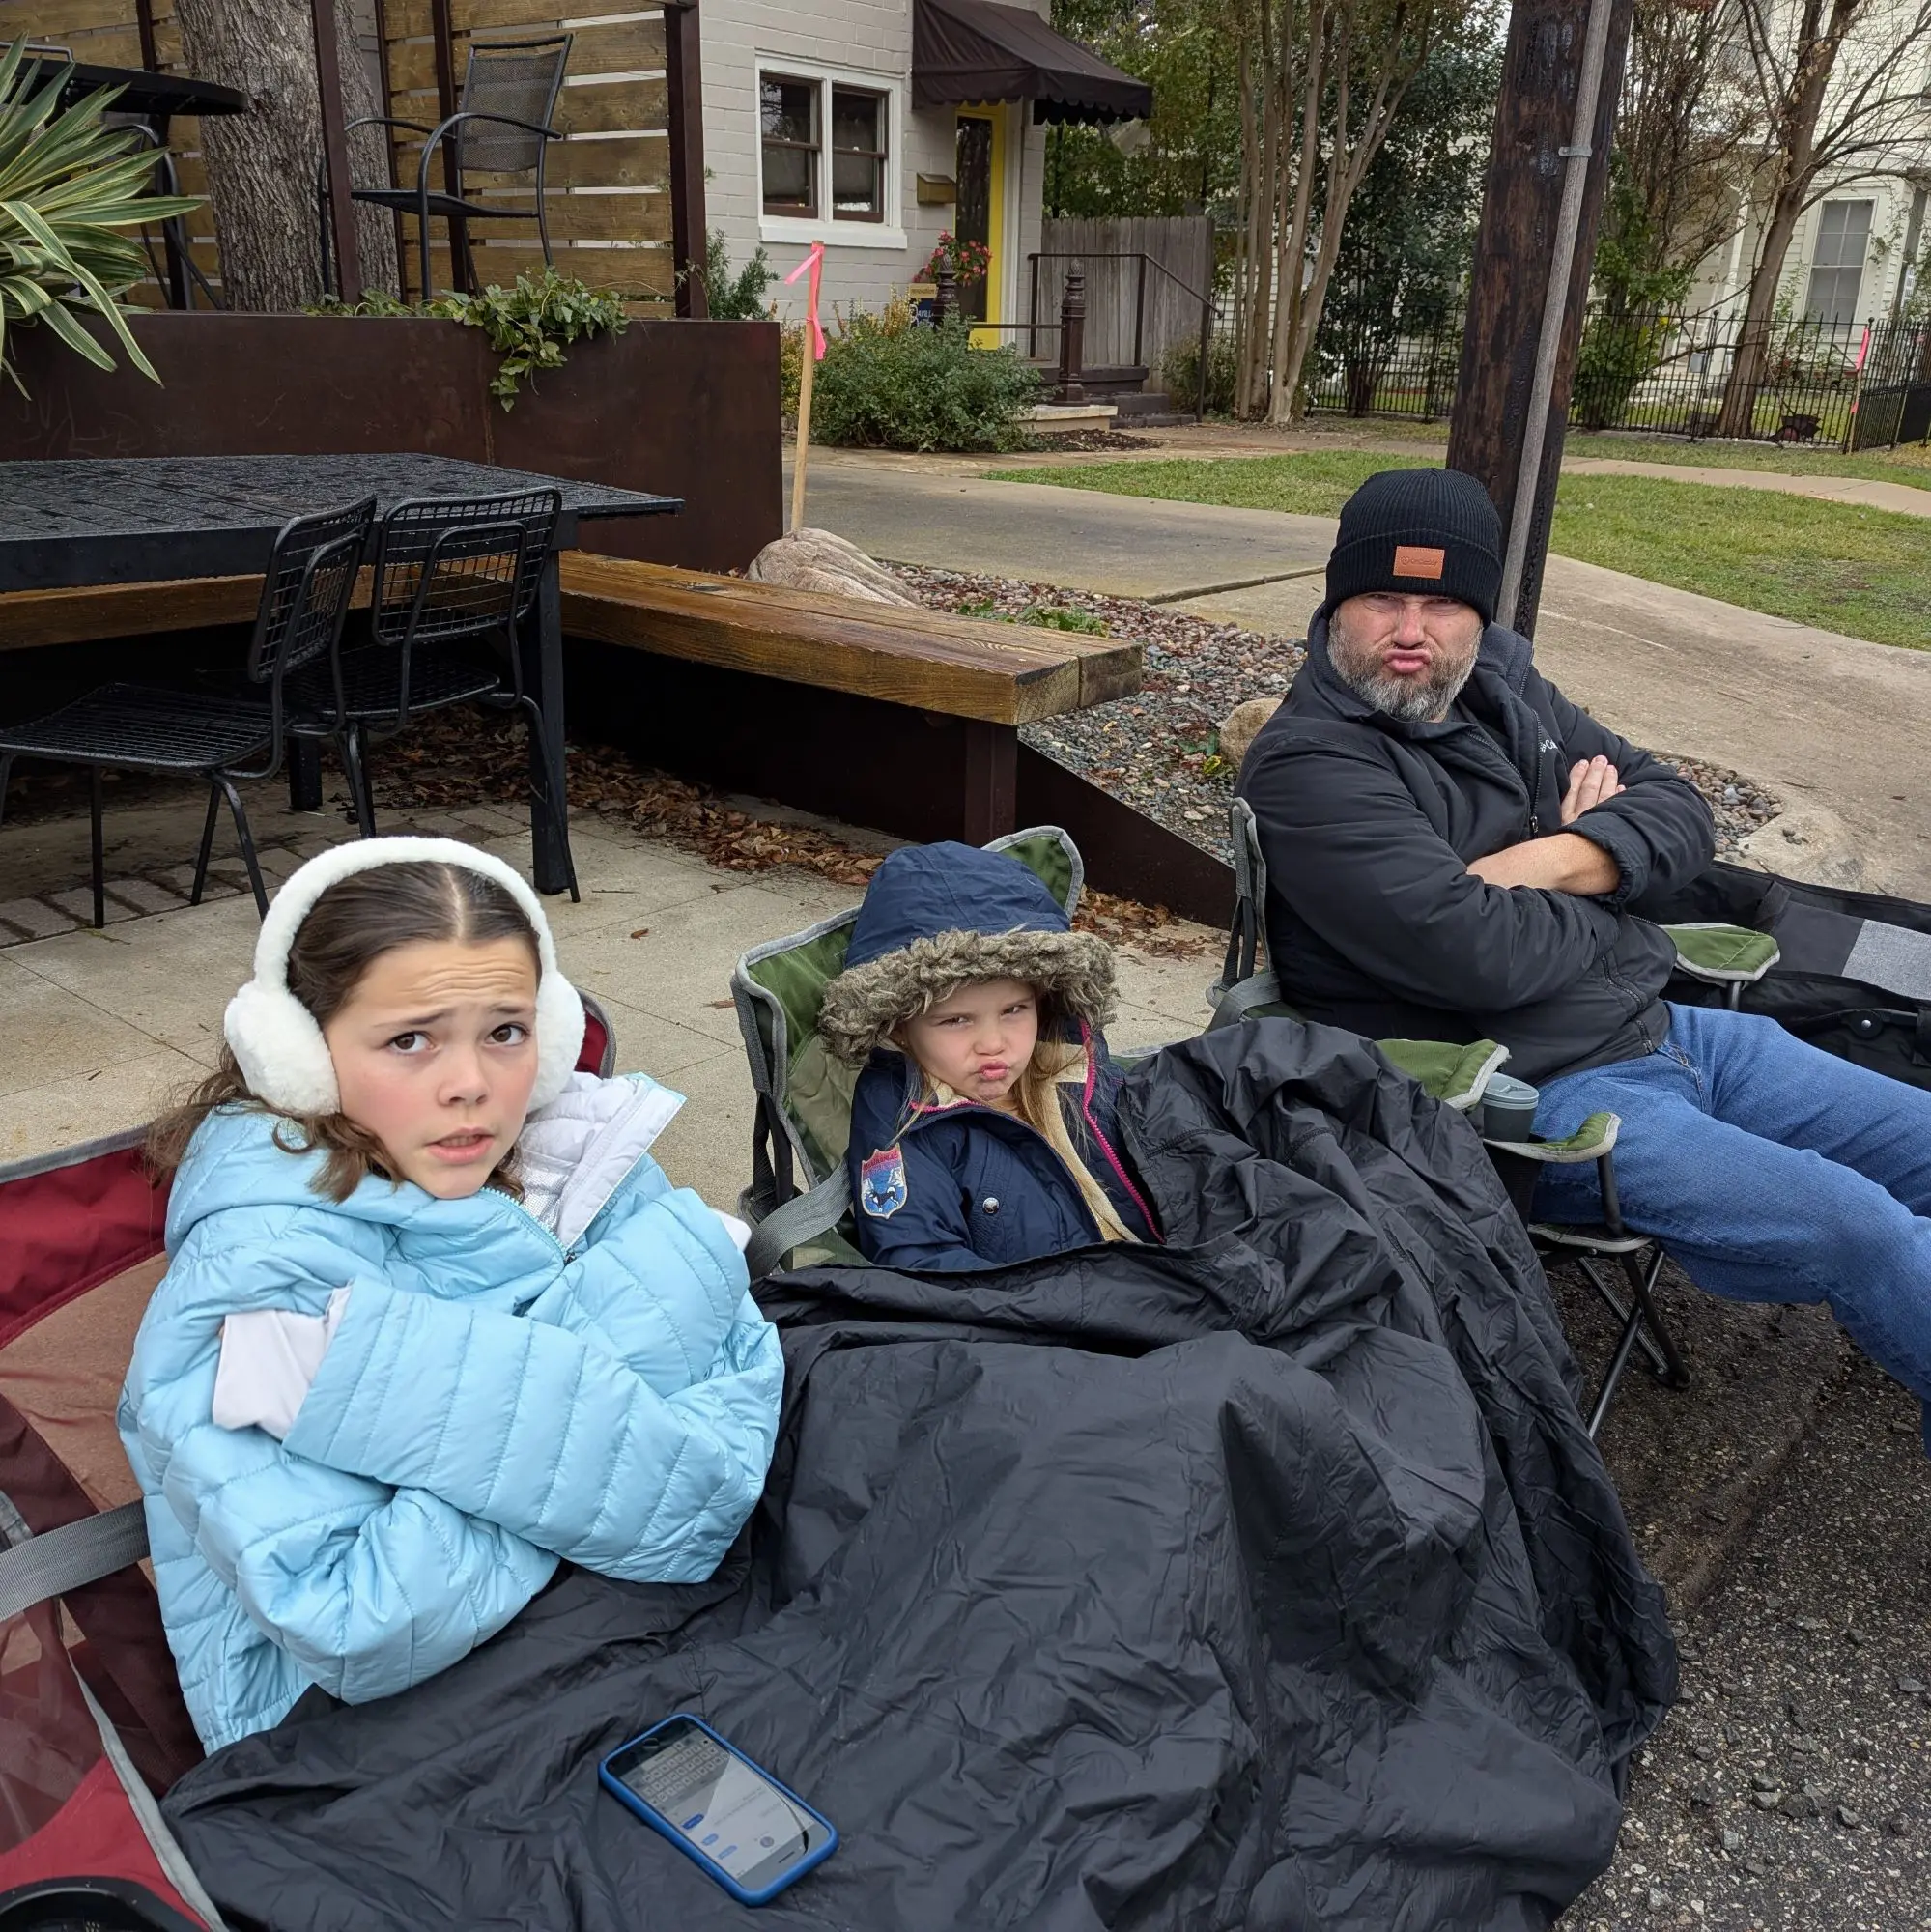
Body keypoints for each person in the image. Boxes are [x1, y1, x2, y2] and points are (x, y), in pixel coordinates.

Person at [1237, 465, 1931, 1445]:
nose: (1411, 629)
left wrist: (1551, 857)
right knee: (1858, 1231)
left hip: (1676, 1030)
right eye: (1382, 597)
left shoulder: (1506, 690)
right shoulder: (1312, 763)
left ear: (1477, 616)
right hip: (1537, 1098)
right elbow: (1475, 955)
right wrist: (1617, 881)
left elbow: (1681, 809)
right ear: (1334, 603)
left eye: (1441, 603)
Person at [123, 838, 784, 1752]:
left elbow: (744, 1402)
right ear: (298, 1058)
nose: (472, 1084)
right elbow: (359, 1618)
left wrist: (406, 1391)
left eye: (506, 1031)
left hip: (618, 1640)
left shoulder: (576, 1151)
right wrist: (669, 1290)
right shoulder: (255, 1269)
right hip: (373, 1745)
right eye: (409, 1039)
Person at [820, 841, 1159, 1272]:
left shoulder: (1069, 1054)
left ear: (1043, 999)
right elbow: (919, 1257)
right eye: (957, 1020)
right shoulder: (898, 1115)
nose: (993, 1043)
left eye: (1014, 1010)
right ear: (900, 1026)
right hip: (1051, 1317)